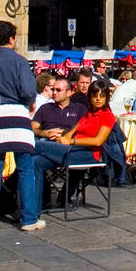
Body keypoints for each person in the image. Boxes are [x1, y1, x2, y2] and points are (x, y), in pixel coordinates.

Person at [0, 20, 42, 232]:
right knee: (25, 169)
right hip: (18, 117)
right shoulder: (20, 62)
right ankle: (28, 218)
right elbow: (27, 90)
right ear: (12, 39)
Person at [31, 76, 89, 204]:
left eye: (58, 90)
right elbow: (33, 127)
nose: (54, 93)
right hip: (47, 144)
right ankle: (43, 198)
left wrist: (64, 134)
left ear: (68, 93)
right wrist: (44, 133)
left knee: (29, 149)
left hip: (68, 148)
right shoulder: (46, 108)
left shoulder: (79, 109)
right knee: (34, 161)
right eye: (53, 90)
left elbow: (84, 129)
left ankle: (7, 192)